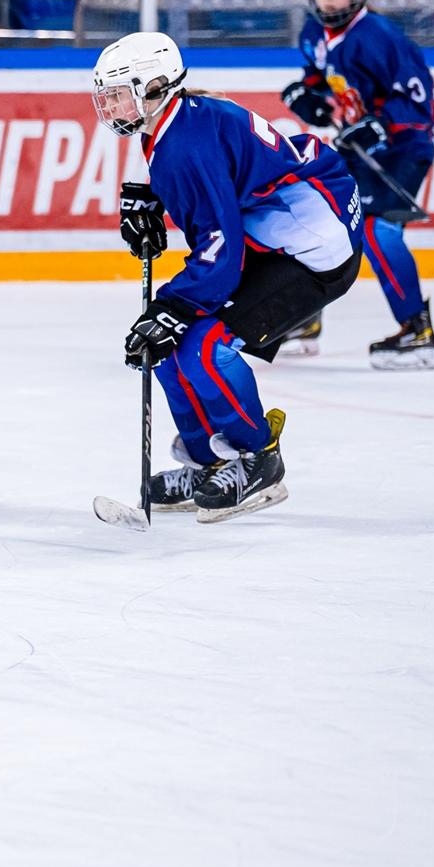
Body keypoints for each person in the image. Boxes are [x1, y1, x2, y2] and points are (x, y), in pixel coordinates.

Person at [100, 31, 366, 522]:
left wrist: (175, 305)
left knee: (203, 345)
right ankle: (208, 462)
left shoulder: (184, 143)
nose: (110, 103)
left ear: (154, 86)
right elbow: (225, 181)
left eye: (118, 91)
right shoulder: (172, 121)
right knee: (166, 350)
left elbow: (221, 248)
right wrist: (151, 198)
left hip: (315, 245)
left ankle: (257, 457)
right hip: (282, 230)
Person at [280, 0, 434, 369]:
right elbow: (320, 78)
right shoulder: (314, 33)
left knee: (377, 228)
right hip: (360, 149)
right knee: (317, 219)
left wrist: (380, 125)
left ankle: (417, 332)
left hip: (405, 146)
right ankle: (306, 319)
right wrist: (305, 94)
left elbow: (418, 100)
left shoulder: (378, 34)